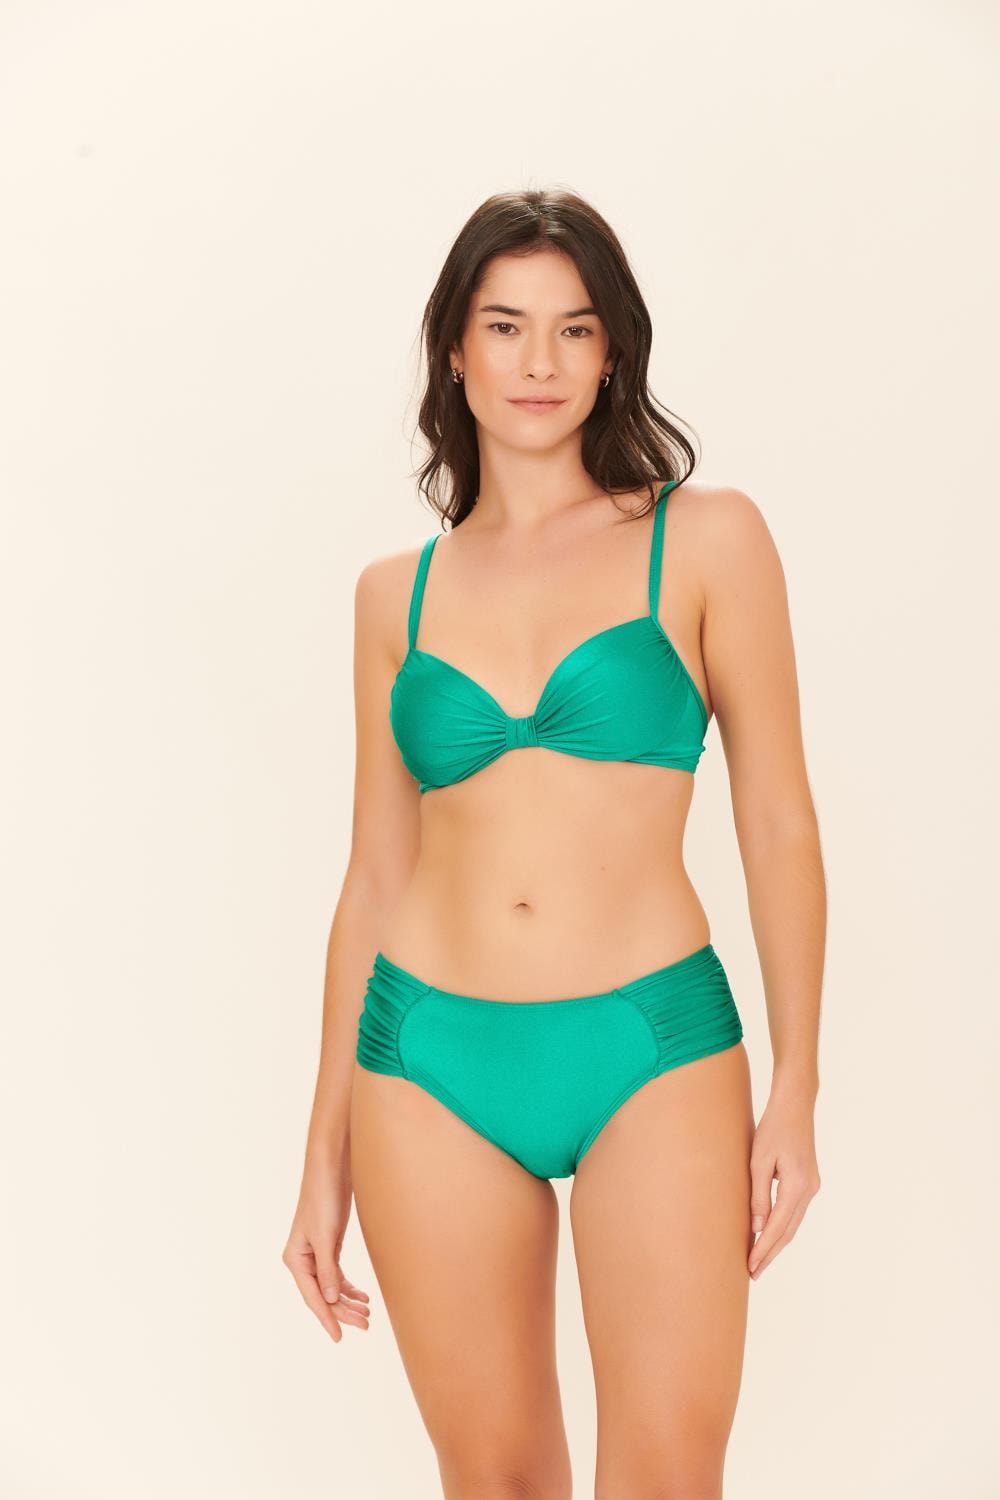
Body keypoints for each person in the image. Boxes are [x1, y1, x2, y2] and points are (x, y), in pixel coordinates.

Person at [283, 188, 825, 1500]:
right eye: (506, 326)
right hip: (428, 1058)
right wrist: (322, 1154)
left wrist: (798, 1088)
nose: (540, 362)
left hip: (652, 1044)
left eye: (574, 330)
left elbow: (776, 819)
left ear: (612, 350)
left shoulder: (707, 539)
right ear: (454, 352)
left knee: (667, 1477)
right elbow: (375, 872)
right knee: (496, 1483)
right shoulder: (393, 596)